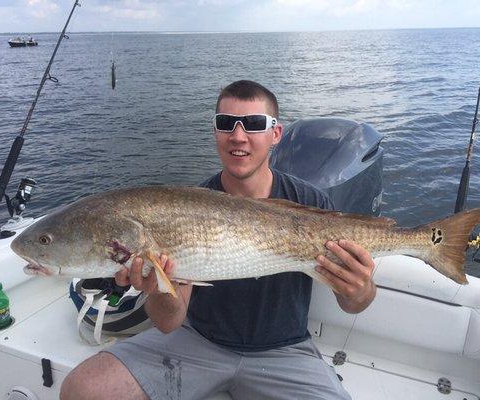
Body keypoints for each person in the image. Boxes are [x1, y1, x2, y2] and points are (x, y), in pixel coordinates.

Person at [60, 80, 377, 400]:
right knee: (82, 389)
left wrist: (360, 288)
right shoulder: (183, 208)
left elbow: (354, 304)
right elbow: (169, 322)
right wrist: (159, 289)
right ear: (215, 132)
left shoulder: (311, 203)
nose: (238, 136)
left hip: (285, 351)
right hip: (197, 342)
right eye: (226, 124)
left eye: (253, 125)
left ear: (275, 134)